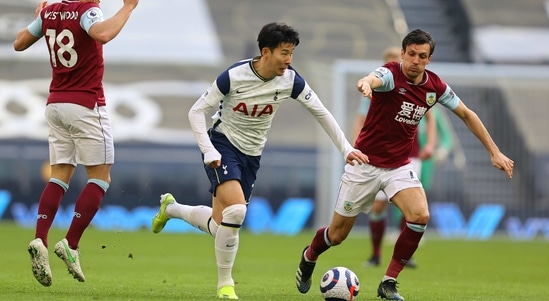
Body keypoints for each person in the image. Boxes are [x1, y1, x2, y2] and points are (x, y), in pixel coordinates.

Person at [150, 22, 368, 300]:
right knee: (237, 212)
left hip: (252, 155)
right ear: (266, 52)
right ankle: (225, 285)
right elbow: (196, 112)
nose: (288, 60)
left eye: (292, 54)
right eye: (284, 53)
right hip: (222, 145)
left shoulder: (291, 80)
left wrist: (345, 148)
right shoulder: (233, 76)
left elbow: (321, 113)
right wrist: (208, 150)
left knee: (220, 225)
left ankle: (171, 209)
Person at [295, 29, 514, 301]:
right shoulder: (390, 75)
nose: (415, 61)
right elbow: (374, 78)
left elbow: (467, 114)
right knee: (337, 235)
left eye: (422, 56)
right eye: (411, 54)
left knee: (420, 216)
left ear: (429, 59)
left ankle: (388, 282)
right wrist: (366, 83)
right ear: (403, 54)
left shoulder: (435, 87)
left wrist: (495, 152)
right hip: (365, 164)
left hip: (399, 166)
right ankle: (309, 256)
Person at [14, 0, 142, 287]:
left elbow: (18, 43)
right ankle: (70, 244)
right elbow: (103, 33)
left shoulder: (51, 12)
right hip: (86, 104)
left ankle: (40, 239)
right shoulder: (88, 11)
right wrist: (129, 6)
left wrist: (38, 21)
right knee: (100, 178)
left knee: (59, 175)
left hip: (55, 104)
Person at [352, 46, 437, 269]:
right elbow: (360, 120)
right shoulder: (377, 88)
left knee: (410, 208)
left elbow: (430, 118)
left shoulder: (419, 88)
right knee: (378, 207)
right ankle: (375, 254)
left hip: (410, 154)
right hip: (376, 155)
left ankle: (402, 258)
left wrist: (429, 144)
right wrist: (352, 147)